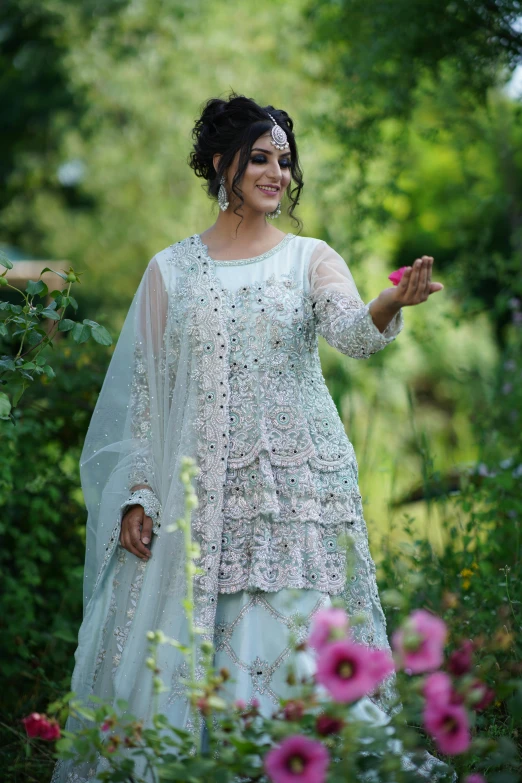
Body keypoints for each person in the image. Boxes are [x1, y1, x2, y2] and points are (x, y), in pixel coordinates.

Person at [51, 93, 444, 782]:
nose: (276, 173)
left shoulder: (309, 258)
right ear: (217, 163)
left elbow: (353, 332)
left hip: (294, 492)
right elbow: (146, 398)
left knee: (297, 640)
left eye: (285, 161)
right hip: (199, 497)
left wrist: (389, 302)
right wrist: (139, 491)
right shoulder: (169, 271)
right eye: (260, 157)